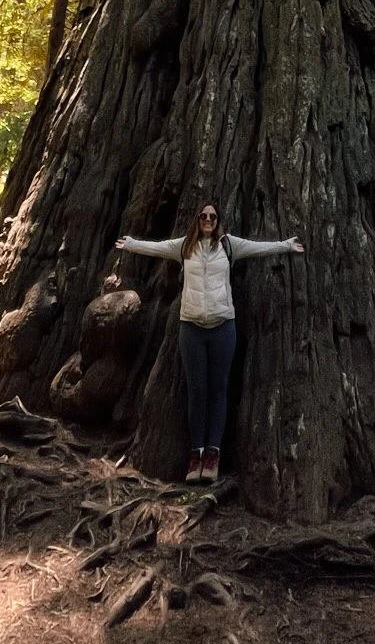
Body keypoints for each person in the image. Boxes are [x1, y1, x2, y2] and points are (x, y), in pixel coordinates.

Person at [116, 203, 303, 483]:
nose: (207, 220)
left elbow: (258, 248)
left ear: (218, 222)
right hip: (191, 328)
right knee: (197, 391)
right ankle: (196, 454)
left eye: (212, 217)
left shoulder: (229, 246)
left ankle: (213, 455)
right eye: (203, 216)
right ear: (197, 219)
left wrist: (286, 245)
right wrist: (131, 244)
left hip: (223, 327)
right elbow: (156, 248)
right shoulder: (184, 247)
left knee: (218, 390)